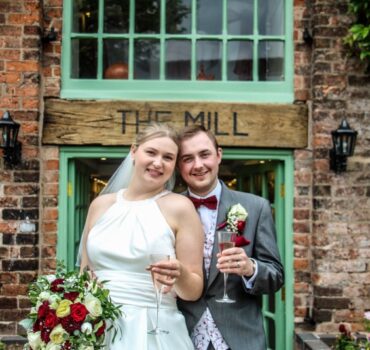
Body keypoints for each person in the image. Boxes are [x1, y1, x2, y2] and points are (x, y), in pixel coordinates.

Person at [79, 123, 204, 350]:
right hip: (95, 326)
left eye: (168, 157)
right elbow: (84, 274)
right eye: (151, 152)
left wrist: (180, 273)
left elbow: (194, 290)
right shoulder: (100, 205)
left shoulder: (180, 208)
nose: (158, 163)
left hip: (154, 328)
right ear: (134, 151)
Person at [177, 125, 284, 350]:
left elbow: (276, 275)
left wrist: (250, 268)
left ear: (218, 155)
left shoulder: (256, 207)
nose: (198, 165)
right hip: (180, 336)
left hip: (241, 338)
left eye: (204, 154)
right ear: (179, 165)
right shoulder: (166, 208)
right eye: (188, 158)